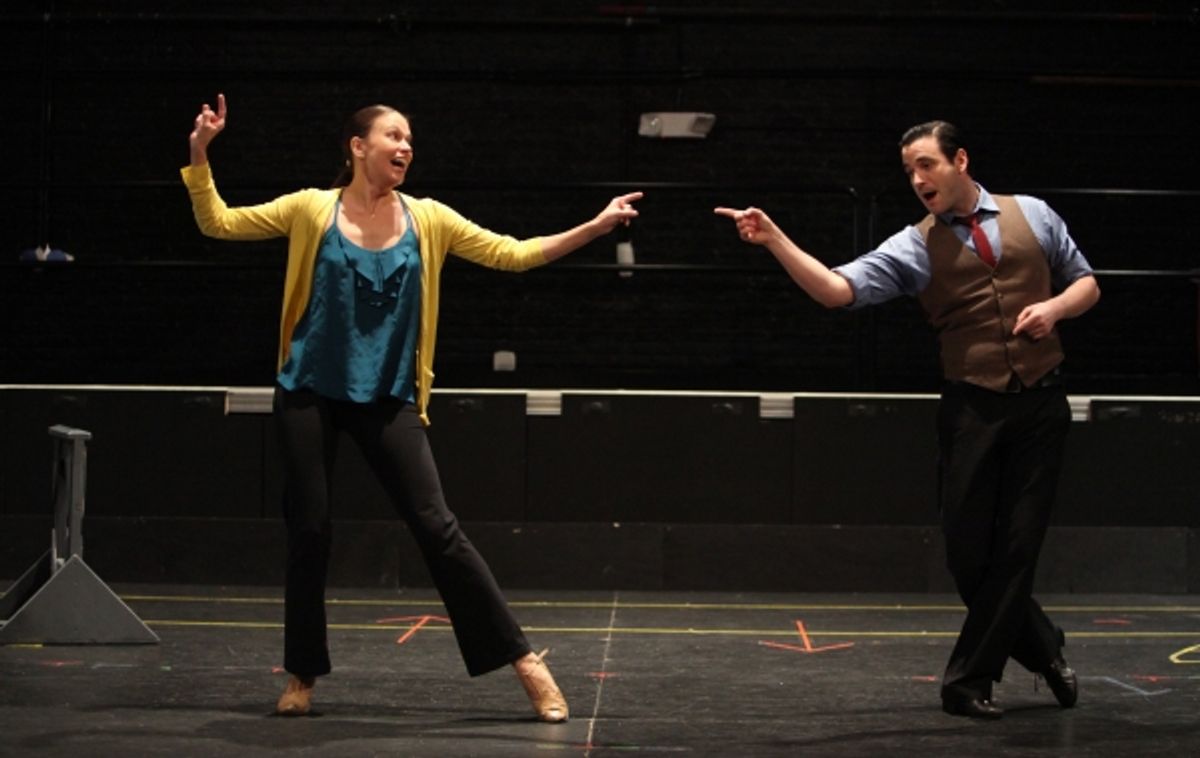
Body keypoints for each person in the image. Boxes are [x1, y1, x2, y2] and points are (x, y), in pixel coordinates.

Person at [183, 93, 642, 721]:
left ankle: (525, 662)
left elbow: (512, 253)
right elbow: (219, 223)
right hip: (309, 391)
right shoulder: (310, 209)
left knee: (438, 529)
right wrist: (200, 155)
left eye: (410, 141)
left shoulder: (429, 220)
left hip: (388, 396)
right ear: (357, 147)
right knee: (309, 530)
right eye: (393, 136)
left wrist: (593, 227)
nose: (405, 147)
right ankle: (302, 674)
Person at [715, 120, 1100, 720]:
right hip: (972, 406)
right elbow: (837, 290)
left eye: (927, 165)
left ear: (961, 161)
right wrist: (775, 241)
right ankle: (1046, 647)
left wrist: (1053, 308)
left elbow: (1087, 286)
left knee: (1019, 546)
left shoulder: (1035, 214)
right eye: (909, 171)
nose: (918, 179)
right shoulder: (915, 243)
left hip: (1042, 402)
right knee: (970, 555)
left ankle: (967, 682)